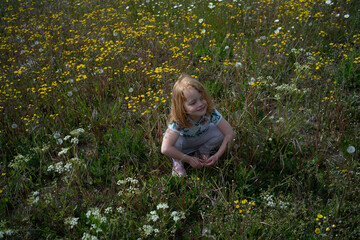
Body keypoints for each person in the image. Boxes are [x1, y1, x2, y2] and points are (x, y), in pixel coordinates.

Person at [161, 73, 234, 176]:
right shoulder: (178, 121)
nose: (200, 104)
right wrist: (188, 159)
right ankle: (178, 161)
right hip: (184, 144)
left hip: (201, 138)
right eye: (193, 103)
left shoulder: (210, 112)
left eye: (201, 98)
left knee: (220, 132)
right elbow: (165, 148)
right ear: (182, 107)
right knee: (175, 142)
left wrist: (217, 155)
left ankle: (202, 152)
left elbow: (229, 133)